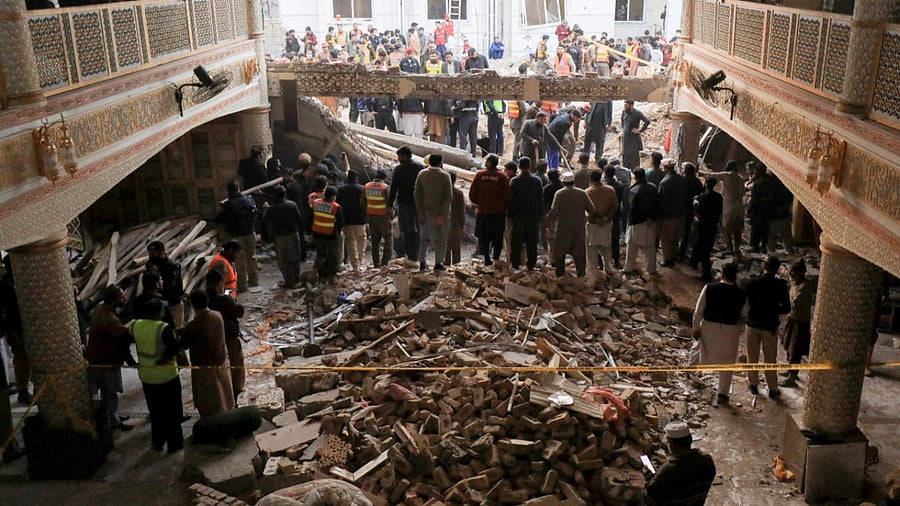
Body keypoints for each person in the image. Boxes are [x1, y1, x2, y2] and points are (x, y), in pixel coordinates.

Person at [127, 298, 183, 453]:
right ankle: (174, 444)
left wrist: (131, 361)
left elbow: (121, 343)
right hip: (167, 376)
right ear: (160, 312)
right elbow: (174, 347)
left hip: (147, 377)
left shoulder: (136, 325)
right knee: (173, 412)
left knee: (156, 412)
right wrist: (165, 358)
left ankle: (158, 442)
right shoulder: (163, 328)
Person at [692, 262, 746, 404]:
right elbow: (744, 314)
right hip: (730, 329)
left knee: (701, 349)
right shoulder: (741, 293)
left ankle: (691, 373)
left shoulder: (709, 288)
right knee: (727, 362)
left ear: (722, 274)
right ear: (735, 277)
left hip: (709, 326)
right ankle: (722, 393)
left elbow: (699, 310)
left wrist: (695, 327)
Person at [85, 284, 135, 431]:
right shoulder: (111, 320)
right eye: (121, 296)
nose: (124, 298)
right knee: (110, 392)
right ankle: (114, 421)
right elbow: (123, 337)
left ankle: (113, 415)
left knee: (106, 392)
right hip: (106, 360)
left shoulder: (101, 307)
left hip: (95, 357)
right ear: (114, 300)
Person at [180, 290, 234, 417]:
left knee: (210, 401)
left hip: (205, 369)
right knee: (224, 395)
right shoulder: (217, 315)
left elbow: (183, 345)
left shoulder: (194, 325)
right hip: (221, 362)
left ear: (193, 306)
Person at [745, 255, 791, 399]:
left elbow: (747, 302)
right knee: (770, 358)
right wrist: (775, 314)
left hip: (752, 323)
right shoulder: (781, 285)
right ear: (777, 269)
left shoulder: (752, 282)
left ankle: (753, 385)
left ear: (763, 267)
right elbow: (786, 308)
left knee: (752, 356)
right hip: (769, 326)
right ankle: (772, 388)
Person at [644, 422, 716, 505]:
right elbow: (688, 469)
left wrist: (648, 476)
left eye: (667, 442)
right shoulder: (707, 460)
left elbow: (649, 499)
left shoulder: (668, 471)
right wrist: (667, 464)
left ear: (672, 444)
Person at [205, 270, 245, 401]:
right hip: (229, 337)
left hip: (212, 339)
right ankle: (236, 391)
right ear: (219, 283)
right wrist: (234, 301)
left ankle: (223, 392)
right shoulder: (225, 299)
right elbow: (239, 313)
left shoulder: (204, 299)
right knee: (236, 365)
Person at [547, 172, 594, 277]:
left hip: (563, 228)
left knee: (560, 252)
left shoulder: (559, 193)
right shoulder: (582, 193)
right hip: (578, 228)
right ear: (574, 181)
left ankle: (560, 275)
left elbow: (553, 211)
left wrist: (548, 223)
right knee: (579, 252)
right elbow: (591, 209)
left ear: (563, 182)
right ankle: (581, 274)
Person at [217, 181, 258, 293]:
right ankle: (254, 281)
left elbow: (221, 219)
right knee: (252, 257)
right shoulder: (249, 200)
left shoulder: (228, 205)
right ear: (238, 188)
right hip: (250, 233)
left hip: (236, 236)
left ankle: (242, 286)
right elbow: (255, 213)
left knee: (240, 261)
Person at [469, 154, 510, 267]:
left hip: (483, 212)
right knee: (497, 236)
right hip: (498, 213)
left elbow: (472, 193)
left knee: (484, 237)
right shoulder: (502, 177)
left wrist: (478, 203)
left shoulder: (479, 175)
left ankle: (487, 259)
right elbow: (507, 195)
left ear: (489, 162)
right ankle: (496, 258)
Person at [414, 154, 452, 271]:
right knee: (440, 239)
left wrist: (420, 212)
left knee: (424, 238)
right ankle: (438, 263)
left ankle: (422, 262)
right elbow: (448, 196)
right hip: (440, 212)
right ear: (440, 162)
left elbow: (417, 194)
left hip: (425, 211)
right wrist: (442, 214)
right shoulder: (445, 176)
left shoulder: (422, 174)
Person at [0, 258, 30, 404]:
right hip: (16, 328)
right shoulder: (6, 284)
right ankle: (23, 391)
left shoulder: (21, 280)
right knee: (22, 360)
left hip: (25, 326)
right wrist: (8, 330)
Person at [780, 260, 813, 388]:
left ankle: (792, 377)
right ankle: (790, 370)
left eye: (794, 274)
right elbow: (785, 272)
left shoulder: (804, 286)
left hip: (800, 322)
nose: (792, 275)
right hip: (792, 318)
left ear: (801, 273)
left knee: (796, 349)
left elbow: (795, 302)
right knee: (788, 345)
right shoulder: (794, 278)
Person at [388, 146, 424, 263]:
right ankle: (415, 255)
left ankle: (410, 255)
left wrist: (389, 205)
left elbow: (393, 188)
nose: (398, 158)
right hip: (417, 203)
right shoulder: (419, 167)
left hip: (404, 204)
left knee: (406, 230)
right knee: (416, 230)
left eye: (399, 156)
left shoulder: (398, 169)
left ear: (404, 156)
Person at [264, 186, 303, 288]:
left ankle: (289, 281)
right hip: (293, 234)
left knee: (283, 260)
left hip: (279, 236)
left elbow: (266, 221)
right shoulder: (292, 205)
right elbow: (299, 219)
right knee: (294, 258)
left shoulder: (272, 209)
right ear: (285, 194)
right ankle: (296, 279)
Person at [508, 157, 544, 270]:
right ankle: (531, 264)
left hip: (518, 215)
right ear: (529, 166)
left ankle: (515, 264)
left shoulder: (514, 181)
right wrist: (540, 214)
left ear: (519, 166)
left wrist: (510, 215)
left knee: (516, 241)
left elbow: (511, 200)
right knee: (532, 241)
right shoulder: (537, 181)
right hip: (532, 216)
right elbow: (540, 199)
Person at [624, 168, 659, 275]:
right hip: (650, 222)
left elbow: (631, 207)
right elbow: (657, 204)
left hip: (637, 222)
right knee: (650, 247)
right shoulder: (653, 187)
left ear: (636, 177)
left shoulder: (634, 190)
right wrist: (651, 217)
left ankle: (628, 268)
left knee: (632, 246)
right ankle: (652, 269)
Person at [709, 160, 746, 257]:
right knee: (737, 230)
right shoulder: (741, 178)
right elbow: (743, 193)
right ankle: (737, 248)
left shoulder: (726, 175)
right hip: (739, 207)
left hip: (728, 206)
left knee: (727, 229)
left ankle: (729, 248)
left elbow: (711, 175)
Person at [585, 170, 619, 273]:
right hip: (606, 223)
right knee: (606, 247)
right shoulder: (610, 190)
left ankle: (593, 270)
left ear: (590, 179)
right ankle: (608, 268)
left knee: (592, 249)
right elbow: (615, 205)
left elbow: (586, 208)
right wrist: (606, 218)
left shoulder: (587, 192)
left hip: (593, 223)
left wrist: (596, 218)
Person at [690, 177, 723, 282]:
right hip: (713, 225)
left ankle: (706, 275)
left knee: (702, 248)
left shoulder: (701, 197)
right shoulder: (719, 197)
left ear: (705, 184)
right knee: (705, 245)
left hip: (703, 225)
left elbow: (696, 209)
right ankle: (693, 261)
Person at [657, 158, 688, 268]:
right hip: (680, 213)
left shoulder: (665, 182)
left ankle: (668, 260)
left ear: (665, 168)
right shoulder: (681, 179)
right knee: (675, 238)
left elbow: (661, 200)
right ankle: (674, 256)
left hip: (668, 215)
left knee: (666, 239)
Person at [146, 241, 184, 327]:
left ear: (162, 252)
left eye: (153, 253)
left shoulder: (172, 266)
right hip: (157, 305)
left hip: (173, 303)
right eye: (149, 254)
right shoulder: (151, 264)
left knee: (175, 328)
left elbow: (170, 286)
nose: (150, 256)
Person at [311, 186, 344, 281]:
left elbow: (311, 217)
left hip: (317, 233)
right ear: (333, 196)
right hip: (330, 235)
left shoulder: (316, 203)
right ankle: (331, 275)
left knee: (320, 254)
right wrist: (338, 232)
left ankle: (320, 274)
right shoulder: (335, 207)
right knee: (333, 255)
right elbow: (340, 222)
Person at [337, 168, 367, 272]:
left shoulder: (340, 189)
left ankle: (355, 265)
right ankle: (361, 261)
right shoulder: (363, 189)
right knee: (361, 240)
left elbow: (338, 205)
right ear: (356, 178)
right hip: (360, 219)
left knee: (351, 242)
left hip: (347, 220)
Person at [365, 169, 394, 268]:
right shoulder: (385, 188)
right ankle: (385, 263)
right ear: (385, 178)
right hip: (384, 218)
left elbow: (363, 203)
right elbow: (390, 204)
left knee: (375, 242)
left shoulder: (367, 186)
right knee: (388, 239)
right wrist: (392, 214)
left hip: (371, 218)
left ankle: (376, 264)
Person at [747, 162, 776, 254]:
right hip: (768, 209)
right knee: (765, 229)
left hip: (758, 210)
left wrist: (750, 210)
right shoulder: (771, 180)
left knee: (756, 230)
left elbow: (754, 199)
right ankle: (763, 246)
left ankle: (755, 248)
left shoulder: (758, 183)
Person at [602, 164, 625, 269]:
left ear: (605, 174)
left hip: (605, 215)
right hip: (616, 214)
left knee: (604, 238)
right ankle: (616, 260)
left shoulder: (604, 187)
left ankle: (605, 261)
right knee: (615, 237)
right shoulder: (619, 185)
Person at [620, 100, 651, 172]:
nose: (625, 107)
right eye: (624, 105)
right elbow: (622, 121)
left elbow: (647, 121)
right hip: (625, 140)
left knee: (634, 161)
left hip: (634, 140)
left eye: (627, 105)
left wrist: (639, 130)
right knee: (625, 159)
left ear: (632, 105)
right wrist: (623, 129)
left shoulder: (637, 113)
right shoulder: (624, 112)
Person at [445, 171, 466, 266]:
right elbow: (462, 209)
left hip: (444, 221)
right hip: (455, 221)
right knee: (456, 243)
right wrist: (462, 223)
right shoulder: (459, 193)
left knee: (446, 244)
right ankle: (456, 263)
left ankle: (446, 263)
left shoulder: (442, 192)